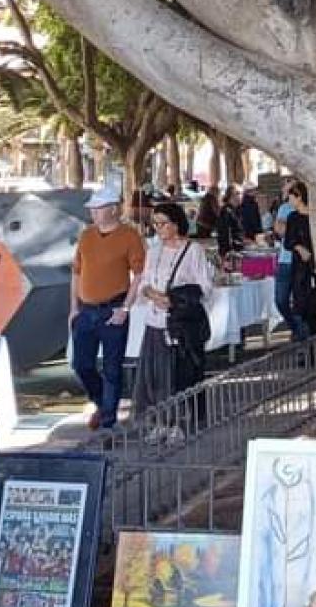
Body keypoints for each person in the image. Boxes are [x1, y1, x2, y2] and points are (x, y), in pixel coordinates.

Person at [70, 183, 147, 431]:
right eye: (92, 208)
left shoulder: (129, 236)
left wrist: (125, 308)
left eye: (99, 207)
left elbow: (139, 273)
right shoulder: (87, 235)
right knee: (82, 364)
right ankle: (103, 404)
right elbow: (76, 273)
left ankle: (108, 421)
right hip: (86, 308)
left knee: (113, 367)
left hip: (113, 307)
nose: (94, 212)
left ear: (113, 209)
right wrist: (73, 308)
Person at [130, 201, 214, 416]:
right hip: (155, 320)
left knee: (179, 374)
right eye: (155, 224)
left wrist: (174, 298)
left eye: (163, 224)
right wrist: (151, 293)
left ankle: (179, 419)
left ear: (176, 224)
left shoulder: (193, 250)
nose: (158, 229)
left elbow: (204, 286)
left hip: (179, 323)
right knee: (155, 375)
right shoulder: (153, 251)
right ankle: (159, 419)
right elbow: (145, 281)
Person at [279, 182, 316, 341]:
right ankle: (304, 340)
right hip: (299, 269)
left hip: (313, 267)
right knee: (300, 304)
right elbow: (287, 241)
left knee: (313, 304)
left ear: (299, 197)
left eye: (291, 196)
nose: (289, 199)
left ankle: (315, 339)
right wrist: (298, 247)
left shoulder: (315, 217)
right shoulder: (292, 217)